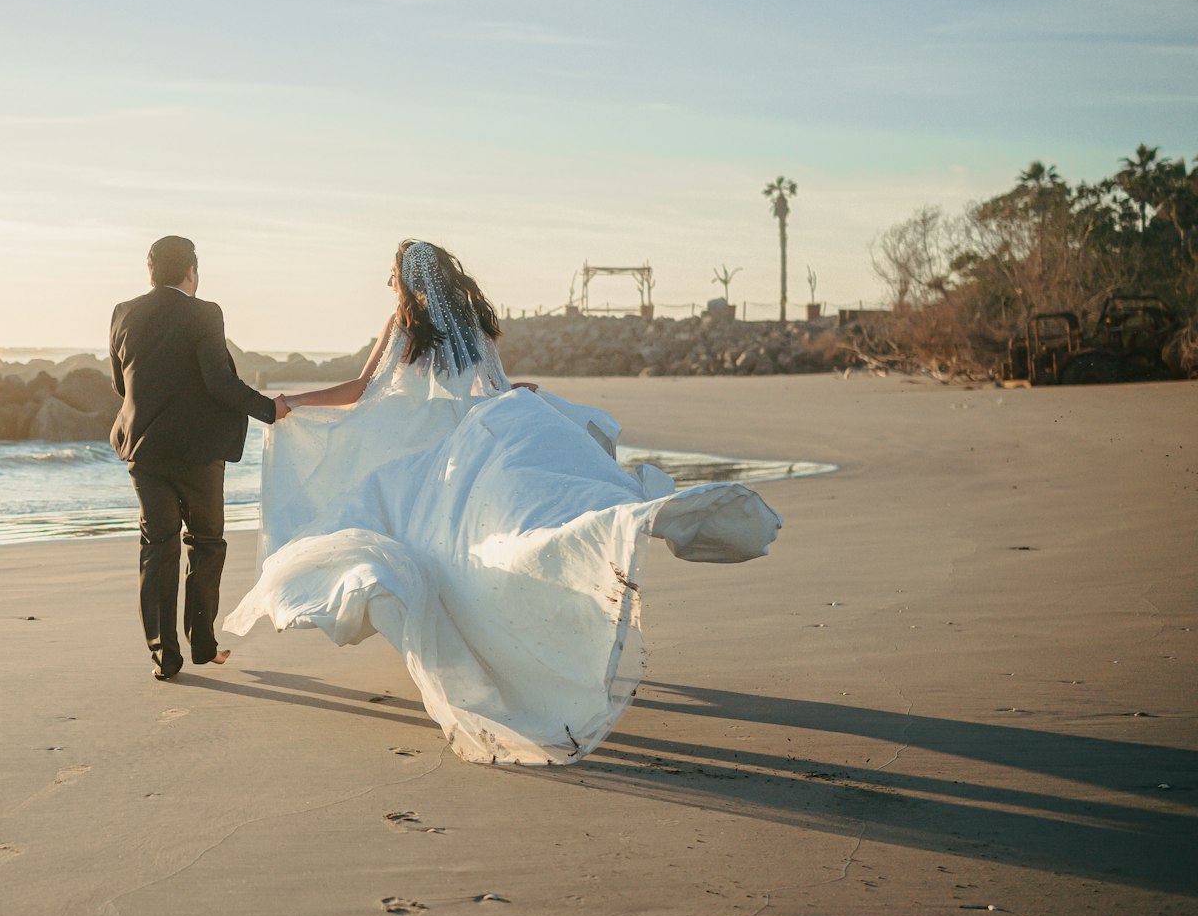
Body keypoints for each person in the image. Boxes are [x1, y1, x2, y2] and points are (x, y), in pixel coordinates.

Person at [222, 239, 783, 765]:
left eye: (392, 275)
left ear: (408, 279)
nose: (388, 283)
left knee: (431, 546)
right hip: (477, 440)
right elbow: (495, 390)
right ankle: (631, 520)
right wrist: (524, 398)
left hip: (431, 454)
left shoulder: (404, 324)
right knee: (494, 541)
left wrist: (293, 400)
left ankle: (482, 650)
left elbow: (364, 392)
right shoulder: (474, 321)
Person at [109, 235, 290, 680]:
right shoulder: (204, 312)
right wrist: (270, 409)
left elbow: (121, 383)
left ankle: (163, 656)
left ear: (150, 271)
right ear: (192, 271)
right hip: (198, 452)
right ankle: (203, 644)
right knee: (206, 544)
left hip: (144, 449)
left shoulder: (123, 312)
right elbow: (219, 380)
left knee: (158, 547)